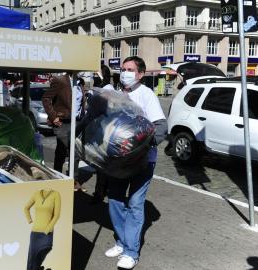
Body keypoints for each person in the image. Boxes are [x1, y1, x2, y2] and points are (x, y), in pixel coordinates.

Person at [104, 56, 167, 269]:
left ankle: (132, 251)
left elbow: (161, 127)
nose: (125, 73)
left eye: (130, 69)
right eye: (123, 69)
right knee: (114, 200)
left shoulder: (146, 94)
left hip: (142, 161)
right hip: (118, 161)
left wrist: (143, 147)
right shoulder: (116, 93)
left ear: (140, 74)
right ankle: (122, 242)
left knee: (135, 203)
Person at [41, 72, 85, 192]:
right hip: (62, 122)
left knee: (61, 150)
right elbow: (46, 98)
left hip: (76, 122)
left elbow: (79, 103)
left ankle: (56, 175)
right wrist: (53, 116)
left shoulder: (80, 82)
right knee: (74, 150)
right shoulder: (60, 81)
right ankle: (73, 181)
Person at [90, 64, 115, 204]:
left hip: (106, 131)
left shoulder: (107, 89)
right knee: (101, 164)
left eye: (96, 74)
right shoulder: (101, 88)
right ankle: (102, 191)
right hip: (100, 129)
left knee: (102, 164)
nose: (94, 76)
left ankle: (100, 193)